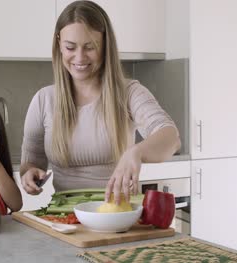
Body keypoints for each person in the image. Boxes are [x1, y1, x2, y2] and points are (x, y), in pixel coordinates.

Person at [19, 0, 181, 205]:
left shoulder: (129, 93)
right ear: (59, 43)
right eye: (70, 47)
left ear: (105, 46)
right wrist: (30, 174)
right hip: (63, 219)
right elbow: (30, 164)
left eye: (90, 47)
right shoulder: (44, 100)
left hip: (117, 214)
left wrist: (136, 152)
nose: (79, 57)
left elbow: (171, 138)